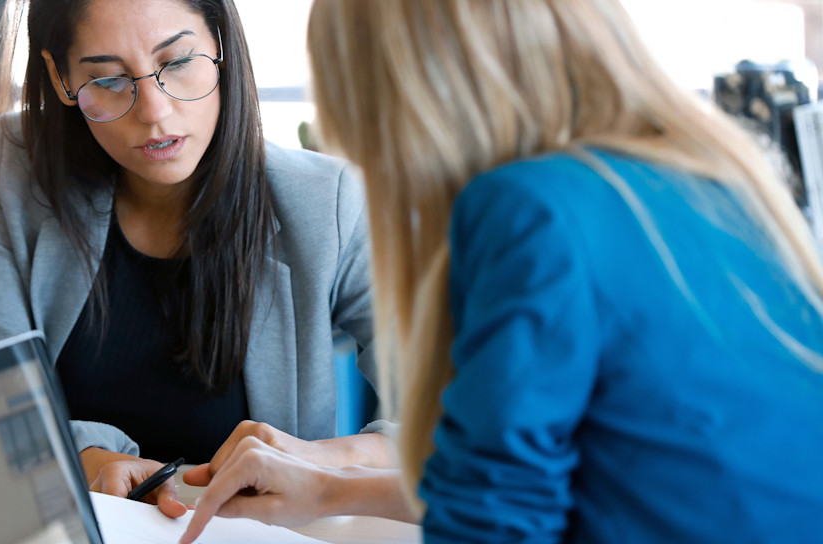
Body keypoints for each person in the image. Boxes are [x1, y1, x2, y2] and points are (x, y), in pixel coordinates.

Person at [180, 0, 823, 542]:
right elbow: (533, 478)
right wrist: (327, 489)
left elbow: (494, 524)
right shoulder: (703, 174)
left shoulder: (530, 210)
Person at [0, 0, 393, 519]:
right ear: (60, 75)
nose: (154, 112)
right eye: (110, 79)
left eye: (179, 62)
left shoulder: (325, 203)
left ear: (221, 46)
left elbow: (463, 412)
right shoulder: (15, 166)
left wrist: (317, 462)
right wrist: (86, 460)